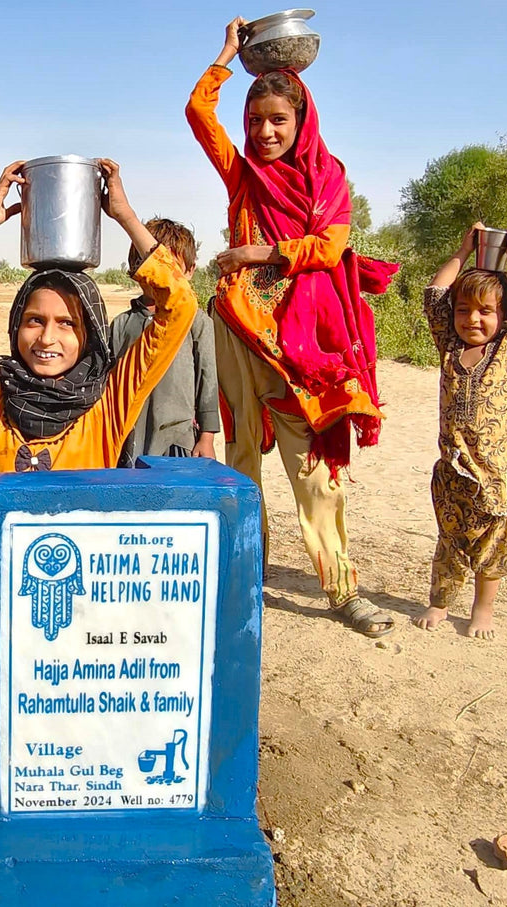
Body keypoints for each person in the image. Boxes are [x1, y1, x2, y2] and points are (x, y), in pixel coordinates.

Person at [0, 159, 198, 731]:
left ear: (88, 334)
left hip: (80, 625)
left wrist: (126, 217)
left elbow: (177, 308)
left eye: (67, 323)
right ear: (16, 327)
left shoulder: (108, 403)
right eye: (34, 321)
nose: (48, 338)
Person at [186, 18, 399, 637]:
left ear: (300, 120)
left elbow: (331, 247)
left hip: (296, 346)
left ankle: (341, 590)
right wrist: (228, 53)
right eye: (255, 122)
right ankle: (243, 575)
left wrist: (260, 254)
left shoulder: (327, 175)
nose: (264, 132)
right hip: (236, 330)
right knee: (241, 459)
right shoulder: (241, 173)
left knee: (313, 469)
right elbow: (199, 112)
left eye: (277, 120)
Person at [414, 225, 507, 640]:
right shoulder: (450, 347)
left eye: (484, 311)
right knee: (450, 541)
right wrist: (463, 250)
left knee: (494, 546)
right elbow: (433, 296)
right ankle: (439, 603)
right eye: (463, 310)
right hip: (455, 473)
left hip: (500, 474)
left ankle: (482, 609)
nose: (471, 319)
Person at [109, 218, 219, 464]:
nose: (159, 279)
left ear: (189, 271)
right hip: (129, 436)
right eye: (151, 266)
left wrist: (207, 438)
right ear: (137, 269)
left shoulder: (197, 322)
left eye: (171, 269)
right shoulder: (121, 325)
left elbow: (208, 383)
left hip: (177, 438)